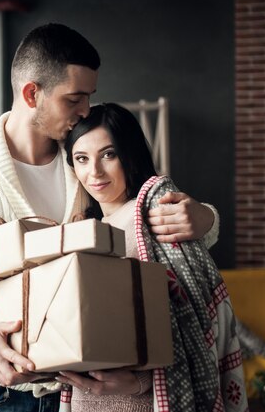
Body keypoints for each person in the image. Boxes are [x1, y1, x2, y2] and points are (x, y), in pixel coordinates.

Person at [0, 23, 220, 412]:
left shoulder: (84, 158)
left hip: (79, 390)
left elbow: (145, 231)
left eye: (89, 97)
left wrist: (206, 219)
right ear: (31, 94)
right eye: (74, 99)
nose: (86, 110)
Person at [46, 103, 246, 411]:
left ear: (130, 154)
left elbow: (187, 326)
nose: (94, 172)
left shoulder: (150, 215)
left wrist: (140, 382)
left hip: (141, 401)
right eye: (82, 159)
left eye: (108, 154)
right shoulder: (82, 231)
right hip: (85, 400)